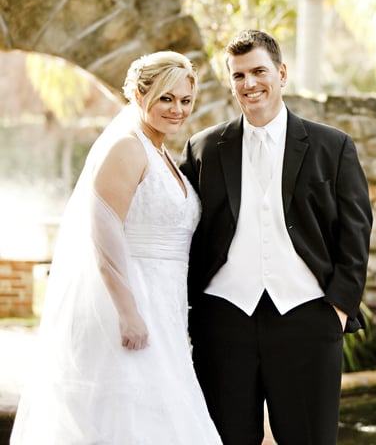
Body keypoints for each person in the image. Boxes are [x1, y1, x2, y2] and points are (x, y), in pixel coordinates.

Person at [10, 51, 222, 445]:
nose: (177, 109)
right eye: (165, 98)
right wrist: (128, 313)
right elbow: (103, 230)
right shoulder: (126, 148)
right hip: (133, 303)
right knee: (131, 415)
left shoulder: (163, 154)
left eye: (185, 100)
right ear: (140, 97)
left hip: (167, 307)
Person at [179, 29, 372, 444]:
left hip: (308, 315)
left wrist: (338, 308)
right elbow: (185, 232)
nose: (249, 84)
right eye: (239, 76)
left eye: (258, 71)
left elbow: (356, 232)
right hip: (224, 318)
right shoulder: (204, 148)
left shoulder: (332, 146)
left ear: (281, 73)